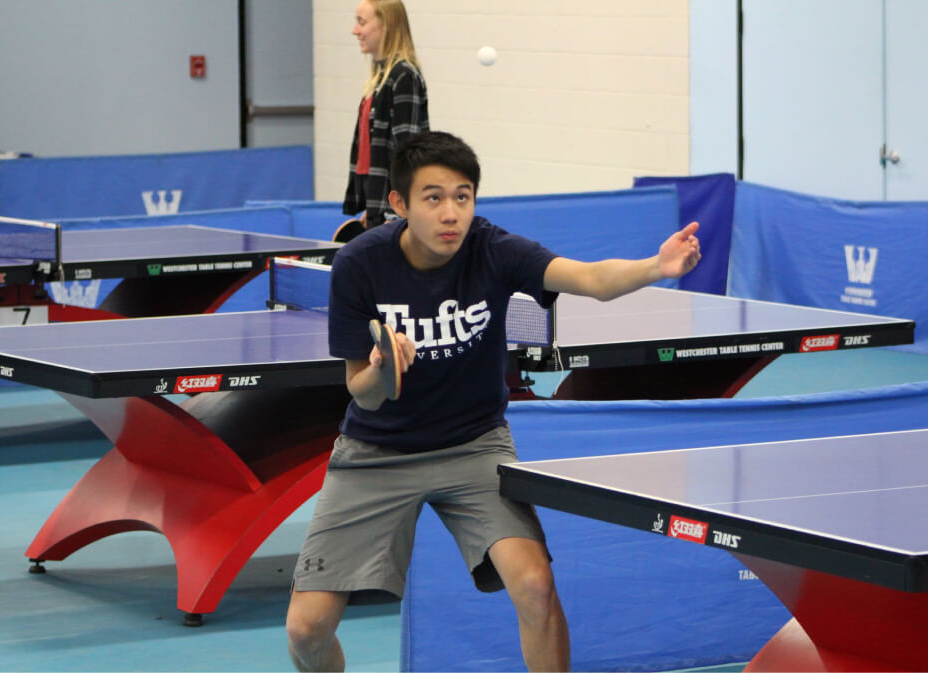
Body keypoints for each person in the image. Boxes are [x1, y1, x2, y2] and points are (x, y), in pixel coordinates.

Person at [285, 131, 702, 672]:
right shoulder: (361, 265)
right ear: (399, 204)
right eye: (433, 198)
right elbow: (358, 388)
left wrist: (657, 266)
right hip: (376, 452)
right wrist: (384, 371)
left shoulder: (494, 250)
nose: (451, 212)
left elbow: (590, 279)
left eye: (463, 195)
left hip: (474, 447)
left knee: (534, 586)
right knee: (306, 628)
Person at [343, 0, 429, 233]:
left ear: (386, 25)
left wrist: (396, 210)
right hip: (381, 207)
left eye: (362, 22)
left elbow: (408, 151)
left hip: (396, 213)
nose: (355, 30)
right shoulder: (380, 78)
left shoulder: (404, 77)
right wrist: (372, 207)